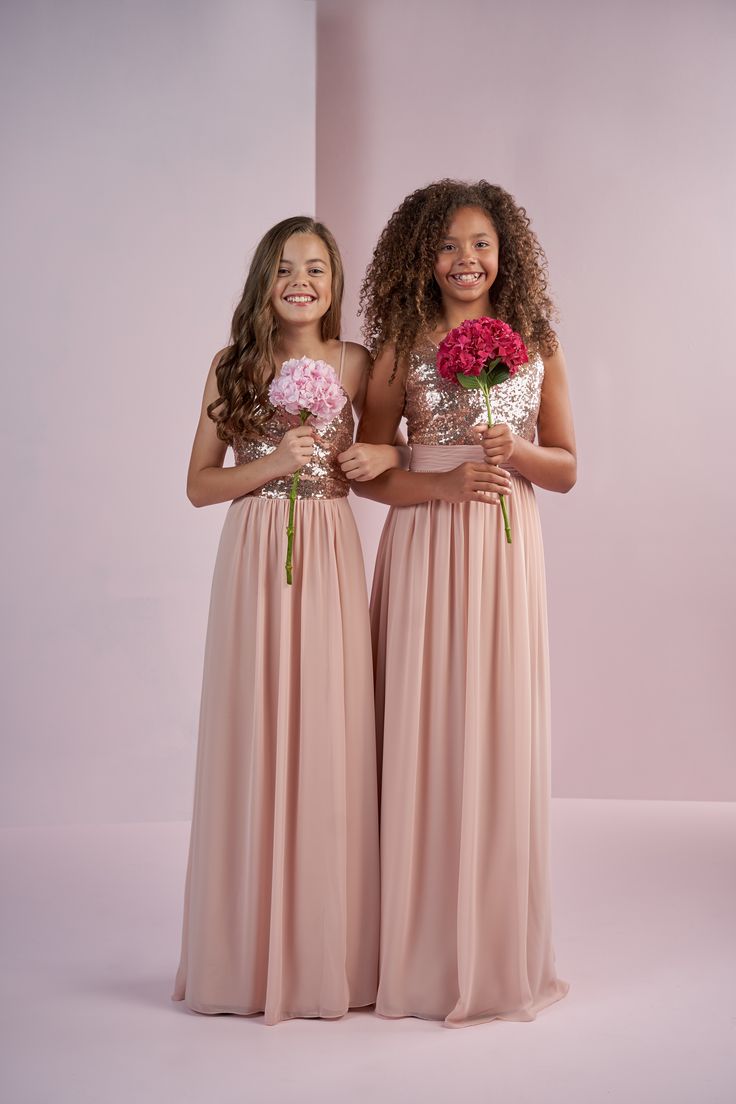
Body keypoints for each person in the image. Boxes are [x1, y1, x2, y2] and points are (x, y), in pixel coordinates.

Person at [348, 180, 576, 1027]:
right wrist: (441, 482)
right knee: (421, 729)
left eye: (481, 244)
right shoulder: (397, 345)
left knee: (498, 731)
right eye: (447, 246)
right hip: (425, 551)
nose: (466, 261)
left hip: (506, 555)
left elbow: (568, 467)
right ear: (421, 257)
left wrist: (513, 447)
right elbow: (368, 470)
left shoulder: (536, 342)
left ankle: (491, 948)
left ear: (503, 254)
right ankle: (415, 951)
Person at [173, 216, 398, 1024]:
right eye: (286, 268)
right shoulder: (231, 365)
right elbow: (200, 485)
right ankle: (244, 954)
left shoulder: (356, 363)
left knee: (330, 734)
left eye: (317, 268)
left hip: (330, 547)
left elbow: (379, 458)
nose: (301, 280)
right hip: (255, 554)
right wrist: (272, 462)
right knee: (255, 731)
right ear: (264, 281)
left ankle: (327, 952)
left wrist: (390, 459)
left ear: (334, 285)